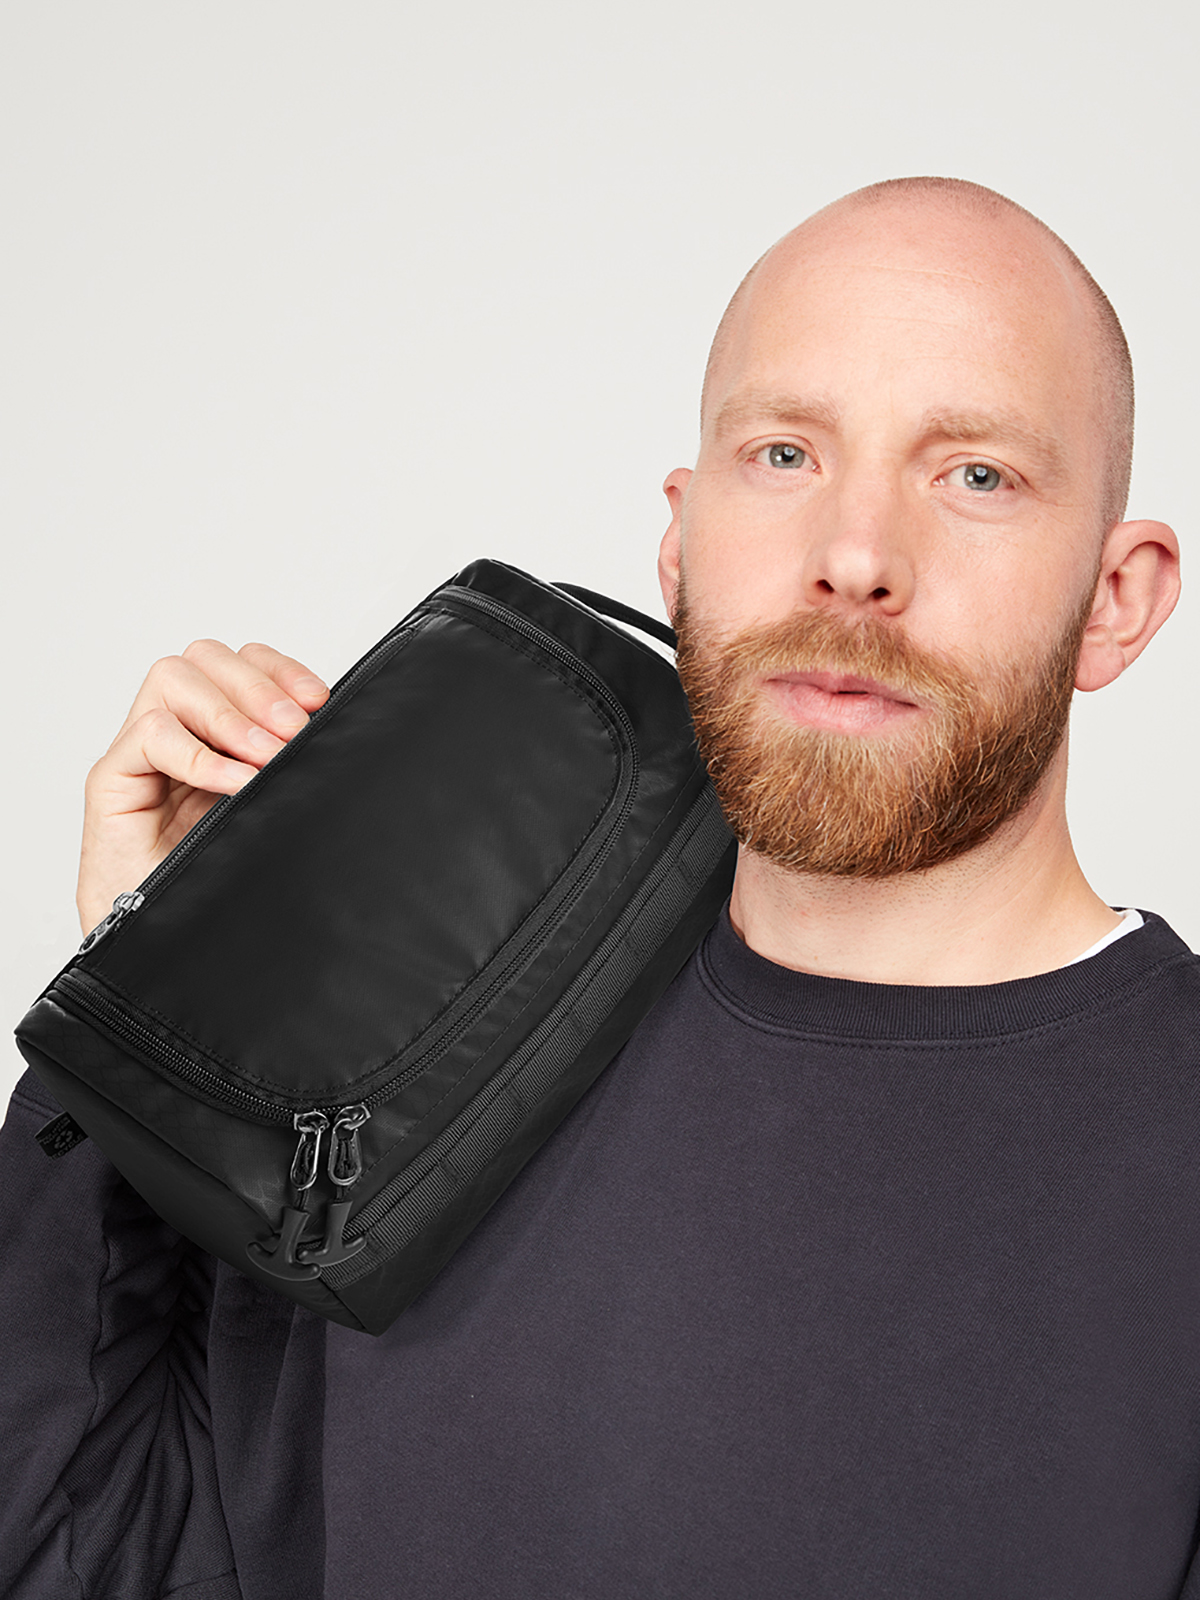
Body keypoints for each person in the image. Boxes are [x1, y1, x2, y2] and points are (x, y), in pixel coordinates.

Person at [4, 175, 1199, 1598]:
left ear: (1116, 599)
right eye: (785, 453)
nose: (855, 559)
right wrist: (164, 990)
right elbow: (85, 1553)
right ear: (680, 546)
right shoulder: (438, 1034)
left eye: (977, 476)